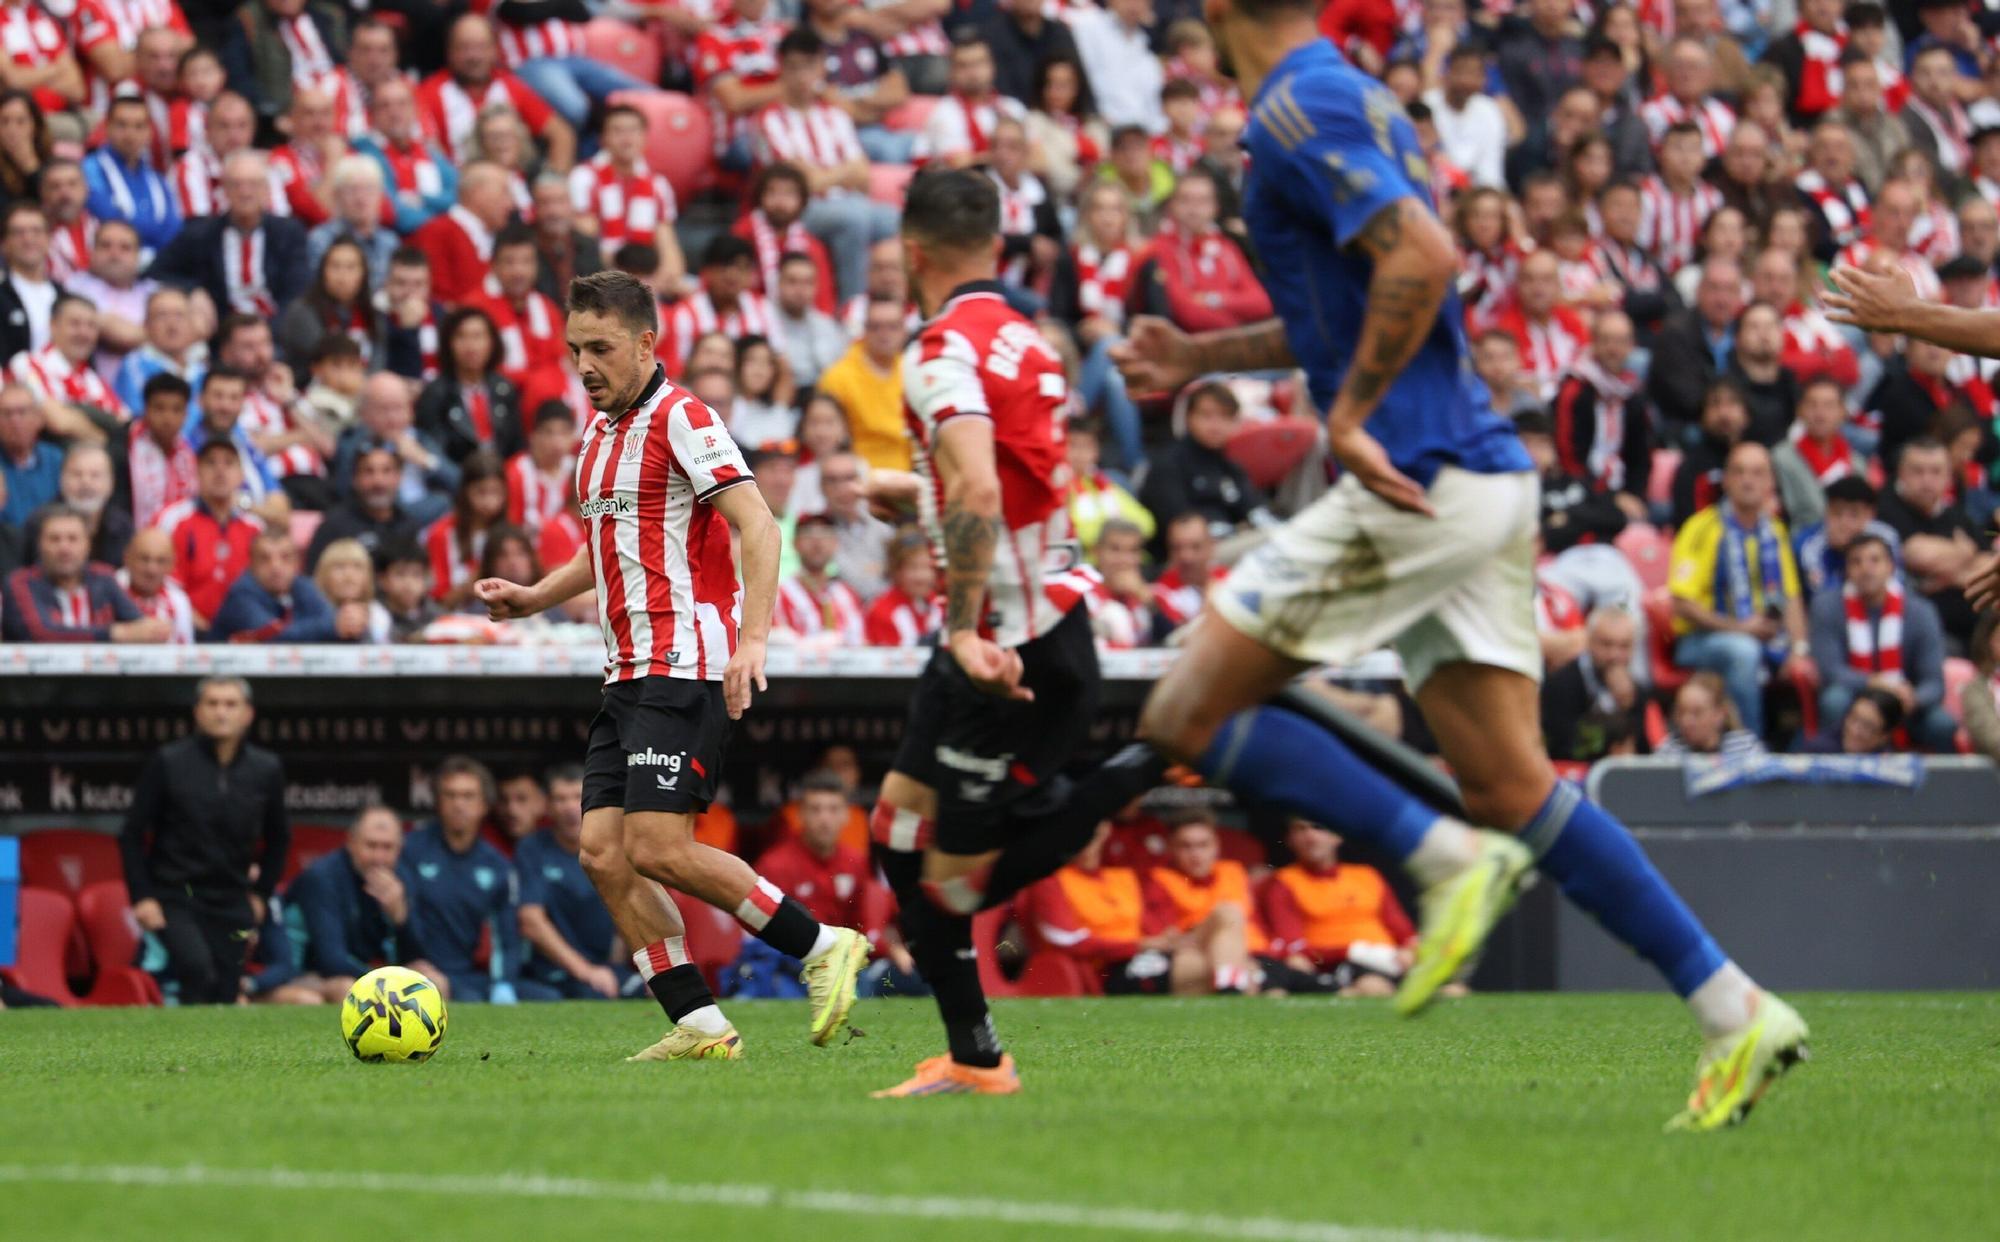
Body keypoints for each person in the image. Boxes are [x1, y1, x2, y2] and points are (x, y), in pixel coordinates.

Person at [1112, 0, 1805, 1131]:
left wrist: (1348, 417)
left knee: (1183, 707)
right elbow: (1354, 299)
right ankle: (1735, 1011)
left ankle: (1435, 861)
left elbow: (1424, 258)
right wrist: (1201, 355)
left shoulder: (1300, 101)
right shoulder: (1335, 94)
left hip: (1416, 472)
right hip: (1473, 479)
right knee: (1511, 786)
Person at [474, 269, 867, 1061]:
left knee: (654, 844)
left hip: (685, 662)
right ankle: (698, 1024)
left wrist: (753, 642)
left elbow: (759, 526)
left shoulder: (683, 417)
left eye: (602, 348)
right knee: (601, 853)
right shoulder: (596, 437)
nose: (585, 365)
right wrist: (532, 597)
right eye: (574, 348)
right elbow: (603, 549)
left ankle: (823, 944)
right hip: (626, 673)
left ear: (646, 343)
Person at [864, 171, 1166, 1098]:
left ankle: (1163, 754)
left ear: (913, 252)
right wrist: (920, 499)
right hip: (1025, 622)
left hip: (1008, 647)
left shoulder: (939, 348)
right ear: (995, 245)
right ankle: (974, 1057)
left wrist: (958, 628)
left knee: (943, 886)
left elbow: (988, 492)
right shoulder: (1032, 342)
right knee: (895, 835)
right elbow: (1014, 487)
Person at [119, 676, 289, 1004]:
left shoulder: (266, 769)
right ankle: (183, 1053)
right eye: (212, 704)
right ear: (197, 711)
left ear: (247, 714)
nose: (220, 713)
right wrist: (142, 896)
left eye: (230, 704)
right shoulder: (169, 761)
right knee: (197, 970)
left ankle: (215, 1056)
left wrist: (261, 894)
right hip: (176, 894)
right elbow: (131, 834)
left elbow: (279, 838)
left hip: (232, 897)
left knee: (226, 989)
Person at [1668, 442, 1817, 738]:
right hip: (1701, 640)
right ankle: (1750, 749)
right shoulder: (1701, 528)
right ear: (1725, 480)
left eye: (1758, 473)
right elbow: (1682, 603)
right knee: (1743, 651)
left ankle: (1806, 749)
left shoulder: (1775, 531)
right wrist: (1738, 628)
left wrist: (1799, 648)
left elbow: (1791, 597)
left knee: (1817, 660)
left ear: (1770, 482)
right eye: (1739, 472)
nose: (1748, 481)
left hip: (1767, 635)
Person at [400, 756, 556, 1003]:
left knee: (549, 998)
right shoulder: (410, 849)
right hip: (417, 973)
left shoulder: (496, 865)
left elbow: (506, 936)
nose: (458, 804)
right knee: (467, 998)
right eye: (450, 795)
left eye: (468, 796)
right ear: (437, 801)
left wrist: (503, 983)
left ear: (484, 804)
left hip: (468, 975)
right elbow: (398, 923)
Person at [1809, 532, 1955, 753]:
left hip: (1904, 703)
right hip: (1854, 700)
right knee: (1834, 700)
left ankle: (1944, 787)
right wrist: (1874, 683)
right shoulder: (1826, 607)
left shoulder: (1921, 611)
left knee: (1942, 724)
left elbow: (1934, 682)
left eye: (1875, 560)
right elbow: (1831, 670)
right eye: (1856, 561)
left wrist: (1912, 698)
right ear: (1847, 570)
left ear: (1891, 566)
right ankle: (1835, 780)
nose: (1866, 569)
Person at [283, 805, 440, 1003]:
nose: (378, 858)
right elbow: (331, 960)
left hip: (365, 972)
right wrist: (389, 980)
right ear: (351, 843)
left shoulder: (402, 877)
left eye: (387, 847)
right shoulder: (322, 876)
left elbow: (417, 956)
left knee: (435, 981)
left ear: (399, 848)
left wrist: (400, 917)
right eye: (371, 846)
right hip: (305, 975)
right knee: (348, 988)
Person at [1260, 819, 1415, 997]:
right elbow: (1292, 944)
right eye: (1301, 829)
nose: (1310, 836)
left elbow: (1405, 933)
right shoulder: (1285, 882)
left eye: (1318, 828)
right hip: (1340, 964)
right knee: (1373, 987)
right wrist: (1353, 951)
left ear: (1337, 836)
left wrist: (1410, 952)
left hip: (1391, 959)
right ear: (1290, 839)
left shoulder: (1367, 875)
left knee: (1450, 990)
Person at [516, 765, 630, 1000]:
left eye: (578, 797)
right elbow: (530, 921)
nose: (569, 807)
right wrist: (586, 971)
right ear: (547, 805)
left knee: (655, 994)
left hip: (607, 969)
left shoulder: (614, 846)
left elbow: (630, 912)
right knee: (593, 995)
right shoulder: (532, 849)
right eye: (560, 799)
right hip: (555, 972)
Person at [1140, 814, 1266, 996]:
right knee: (1227, 913)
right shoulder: (1160, 879)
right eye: (1186, 846)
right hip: (1190, 950)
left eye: (1203, 845)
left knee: (1252, 972)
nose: (1195, 854)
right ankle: (1230, 985)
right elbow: (1168, 937)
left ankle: (1229, 985)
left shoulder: (1233, 872)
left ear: (1216, 846)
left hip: (1234, 954)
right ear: (1171, 848)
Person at [1, 503, 164, 642]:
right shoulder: (20, 583)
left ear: (88, 544)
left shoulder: (104, 577)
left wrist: (152, 630)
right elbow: (43, 632)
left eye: (73, 539)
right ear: (39, 544)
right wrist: (115, 633)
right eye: (54, 539)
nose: (64, 548)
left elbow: (141, 627)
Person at [210, 526, 356, 643]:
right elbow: (273, 636)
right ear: (252, 564)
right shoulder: (241, 595)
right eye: (265, 559)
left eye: (285, 558)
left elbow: (328, 617)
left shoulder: (301, 585)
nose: (276, 566)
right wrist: (333, 627)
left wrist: (346, 621)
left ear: (297, 563)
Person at [816, 293, 910, 473]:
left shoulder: (913, 370)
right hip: (856, 478)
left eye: (893, 327)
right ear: (864, 330)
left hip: (912, 474)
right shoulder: (838, 377)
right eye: (876, 327)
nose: (885, 335)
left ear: (904, 331)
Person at [1541, 607, 1646, 763]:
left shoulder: (1636, 690)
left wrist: (1628, 708)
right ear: (1589, 642)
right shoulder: (1561, 684)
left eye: (1624, 646)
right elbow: (1566, 747)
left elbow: (1643, 749)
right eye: (1606, 644)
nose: (1614, 655)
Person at [774, 511, 865, 643]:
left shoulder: (848, 595)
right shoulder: (780, 596)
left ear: (836, 543)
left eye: (825, 534)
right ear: (794, 543)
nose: (817, 542)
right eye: (808, 534)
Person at [1655, 672, 1767, 758]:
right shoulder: (1668, 752)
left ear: (1719, 714)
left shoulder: (1745, 748)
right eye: (1682, 712)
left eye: (1697, 713)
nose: (1686, 721)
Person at [117, 527, 195, 644]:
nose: (152, 569)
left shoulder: (179, 601)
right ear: (127, 558)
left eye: (161, 561)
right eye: (144, 559)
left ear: (172, 564)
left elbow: (185, 650)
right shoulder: (112, 589)